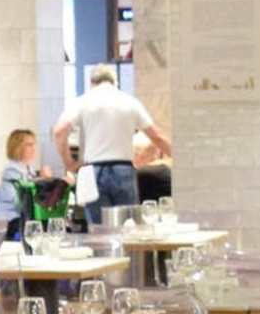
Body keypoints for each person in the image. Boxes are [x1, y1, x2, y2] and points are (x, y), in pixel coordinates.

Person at [52, 65, 171, 224]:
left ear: (91, 82)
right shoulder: (130, 102)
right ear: (116, 82)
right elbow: (157, 137)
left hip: (92, 171)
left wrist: (69, 163)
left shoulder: (82, 101)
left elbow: (59, 131)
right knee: (127, 227)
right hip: (123, 169)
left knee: (99, 230)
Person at [0, 128, 54, 232]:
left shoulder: (29, 169)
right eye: (29, 145)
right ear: (18, 147)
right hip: (11, 220)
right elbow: (19, 202)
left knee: (52, 222)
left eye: (34, 145)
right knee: (44, 226)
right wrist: (42, 181)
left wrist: (46, 181)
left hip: (25, 217)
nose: (34, 149)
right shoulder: (11, 171)